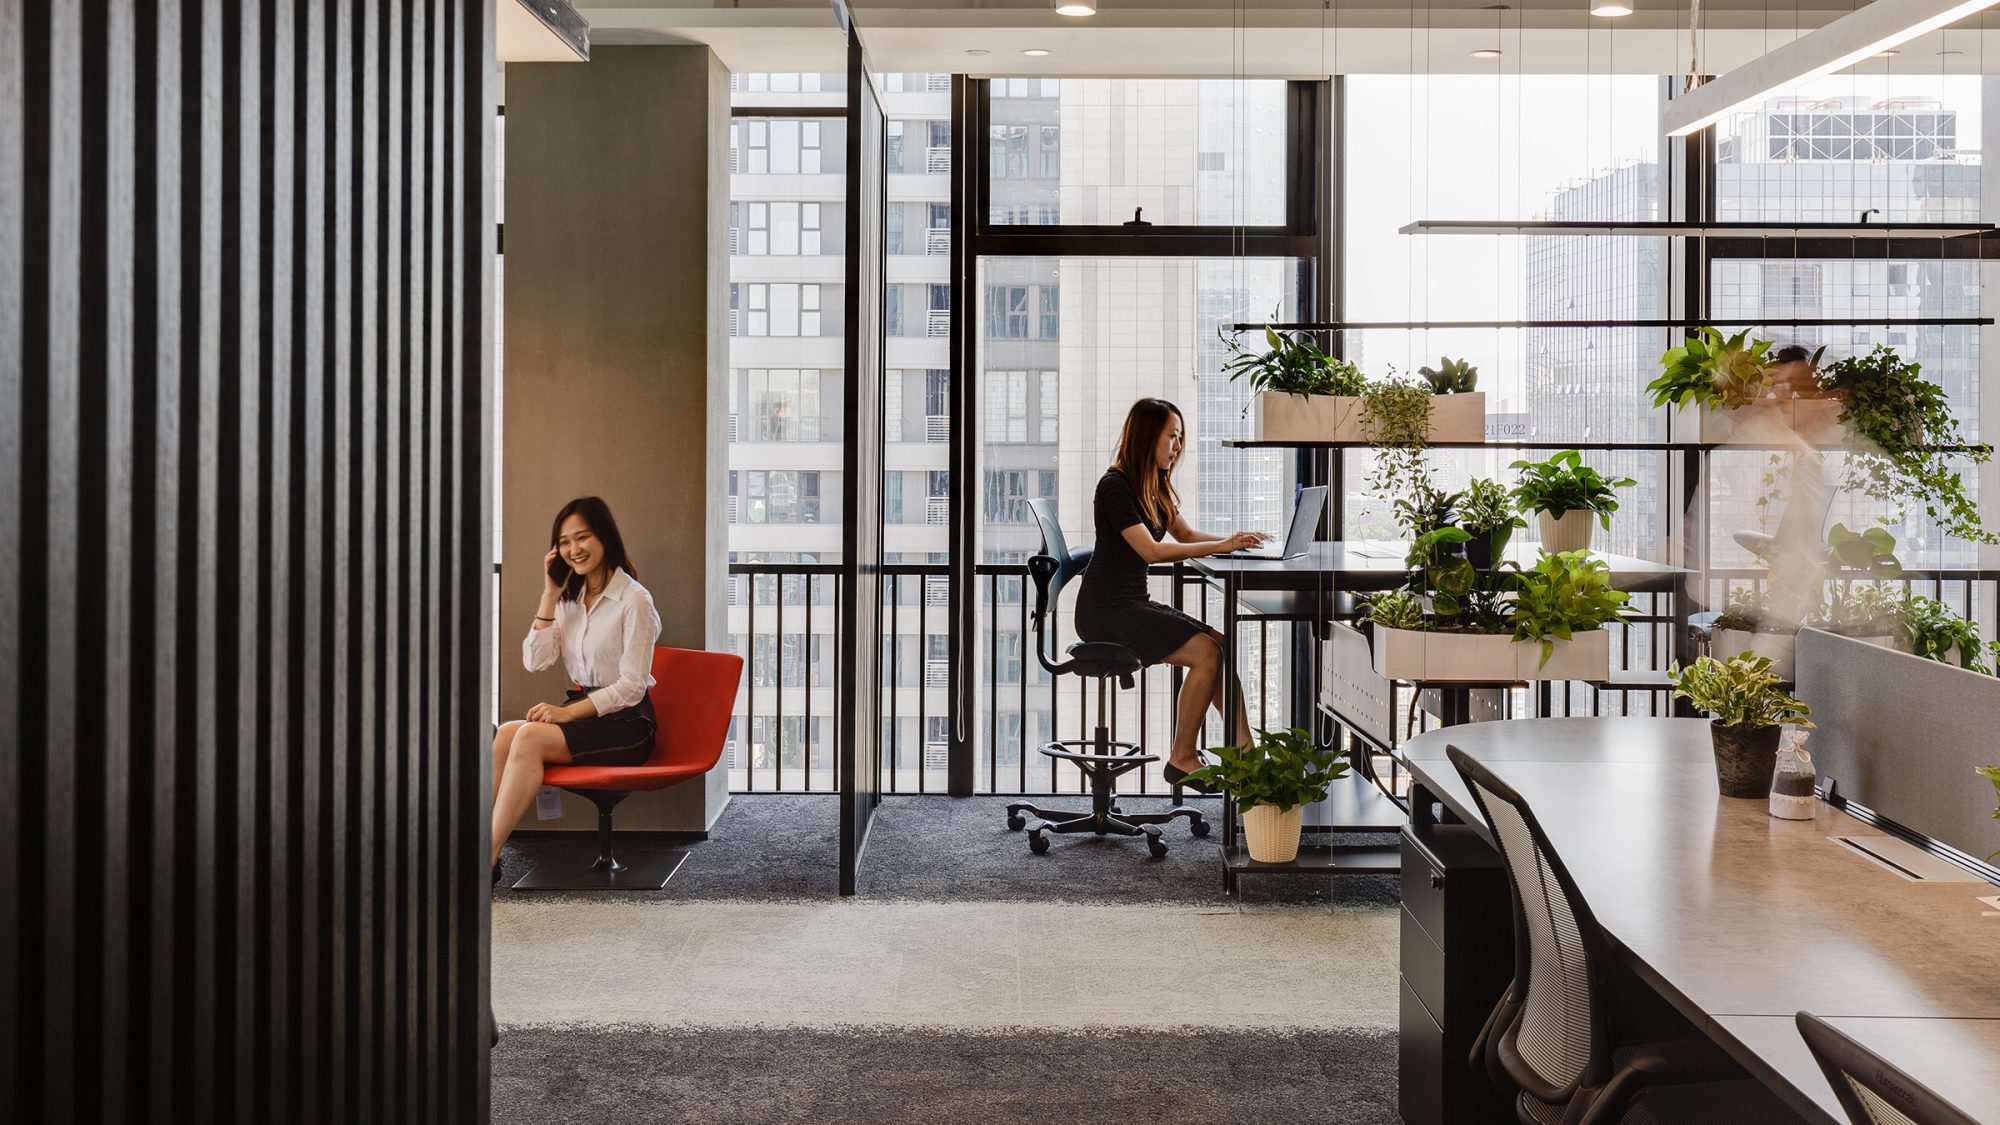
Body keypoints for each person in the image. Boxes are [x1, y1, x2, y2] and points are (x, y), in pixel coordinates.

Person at [1074, 398, 1268, 791]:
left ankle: (1245, 750)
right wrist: (1224, 547)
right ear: (1148, 436)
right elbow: (1152, 551)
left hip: (1131, 602)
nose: (1178, 447)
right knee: (1206, 653)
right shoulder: (1115, 486)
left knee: (1218, 642)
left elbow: (1188, 536)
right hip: (1106, 610)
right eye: (1172, 437)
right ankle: (1183, 757)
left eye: (1181, 439)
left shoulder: (1155, 484)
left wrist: (1241, 541)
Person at [489, 496, 662, 881]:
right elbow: (535, 661)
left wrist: (566, 712)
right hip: (587, 714)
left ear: (605, 537)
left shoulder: (635, 599)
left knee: (530, 737)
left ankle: (485, 860)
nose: (573, 549)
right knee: (506, 734)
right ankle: (482, 849)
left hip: (629, 725)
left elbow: (633, 687)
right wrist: (550, 594)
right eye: (564, 542)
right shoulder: (568, 600)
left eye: (582, 537)